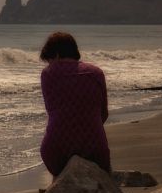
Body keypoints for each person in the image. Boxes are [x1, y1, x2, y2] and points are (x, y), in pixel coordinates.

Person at [39, 32, 111, 176]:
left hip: (56, 148)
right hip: (95, 146)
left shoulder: (48, 73)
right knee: (103, 172)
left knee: (58, 168)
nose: (50, 63)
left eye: (50, 59)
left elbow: (52, 112)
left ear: (57, 54)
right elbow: (104, 114)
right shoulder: (96, 73)